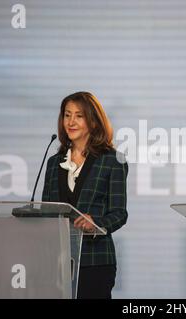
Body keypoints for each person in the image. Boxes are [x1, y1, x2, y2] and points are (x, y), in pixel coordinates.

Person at [42, 91, 128, 299]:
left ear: (93, 121)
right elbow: (46, 211)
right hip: (58, 262)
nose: (71, 122)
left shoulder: (113, 160)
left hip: (95, 262)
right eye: (67, 115)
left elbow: (119, 213)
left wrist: (96, 223)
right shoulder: (54, 163)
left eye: (79, 116)